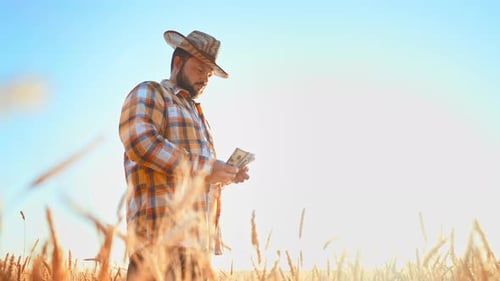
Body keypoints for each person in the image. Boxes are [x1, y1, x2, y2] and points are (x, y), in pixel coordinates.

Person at [119, 30, 250, 280]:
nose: (206, 79)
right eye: (200, 70)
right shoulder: (152, 92)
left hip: (198, 248)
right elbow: (140, 140)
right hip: (158, 240)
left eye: (209, 74)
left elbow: (198, 175)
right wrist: (206, 168)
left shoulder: (200, 117)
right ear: (178, 63)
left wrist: (226, 174)